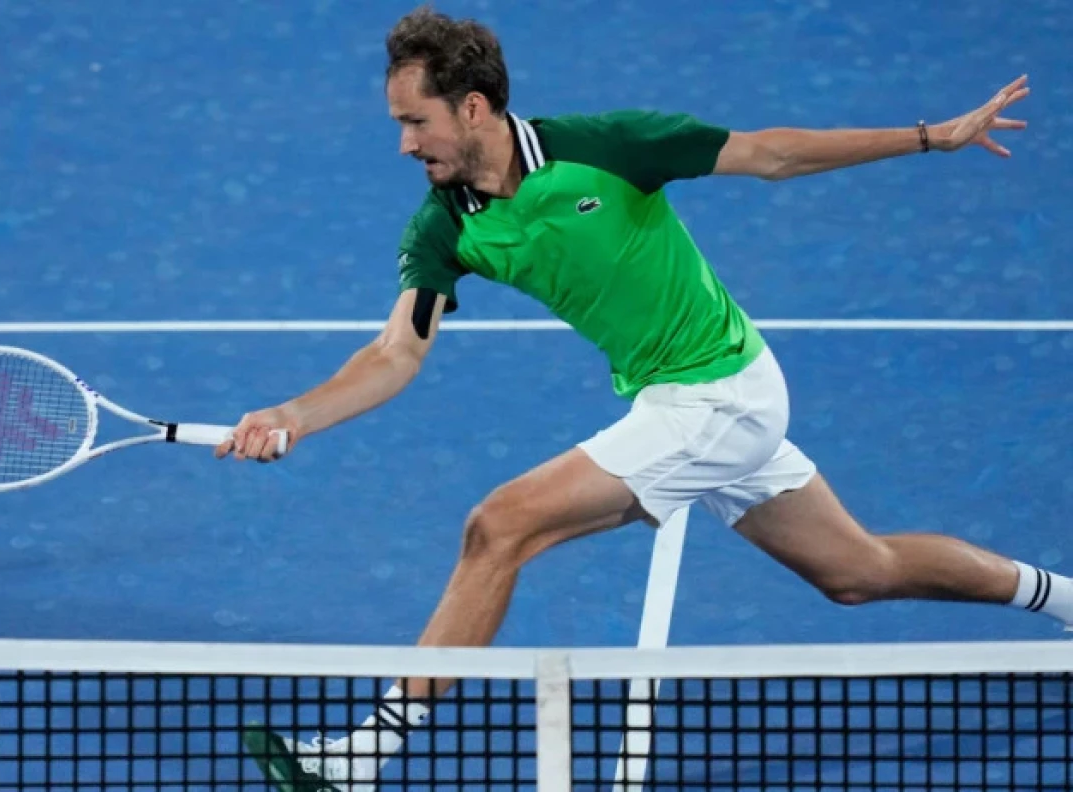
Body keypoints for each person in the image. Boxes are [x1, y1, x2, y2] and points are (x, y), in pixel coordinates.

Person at [216, 6, 1058, 790]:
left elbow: (772, 154)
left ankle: (368, 754)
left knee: (499, 527)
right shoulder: (446, 223)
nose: (403, 144)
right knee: (857, 571)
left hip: (719, 395)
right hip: (685, 404)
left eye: (415, 121)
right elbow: (397, 352)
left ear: (472, 108)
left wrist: (929, 136)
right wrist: (293, 414)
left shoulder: (609, 146)